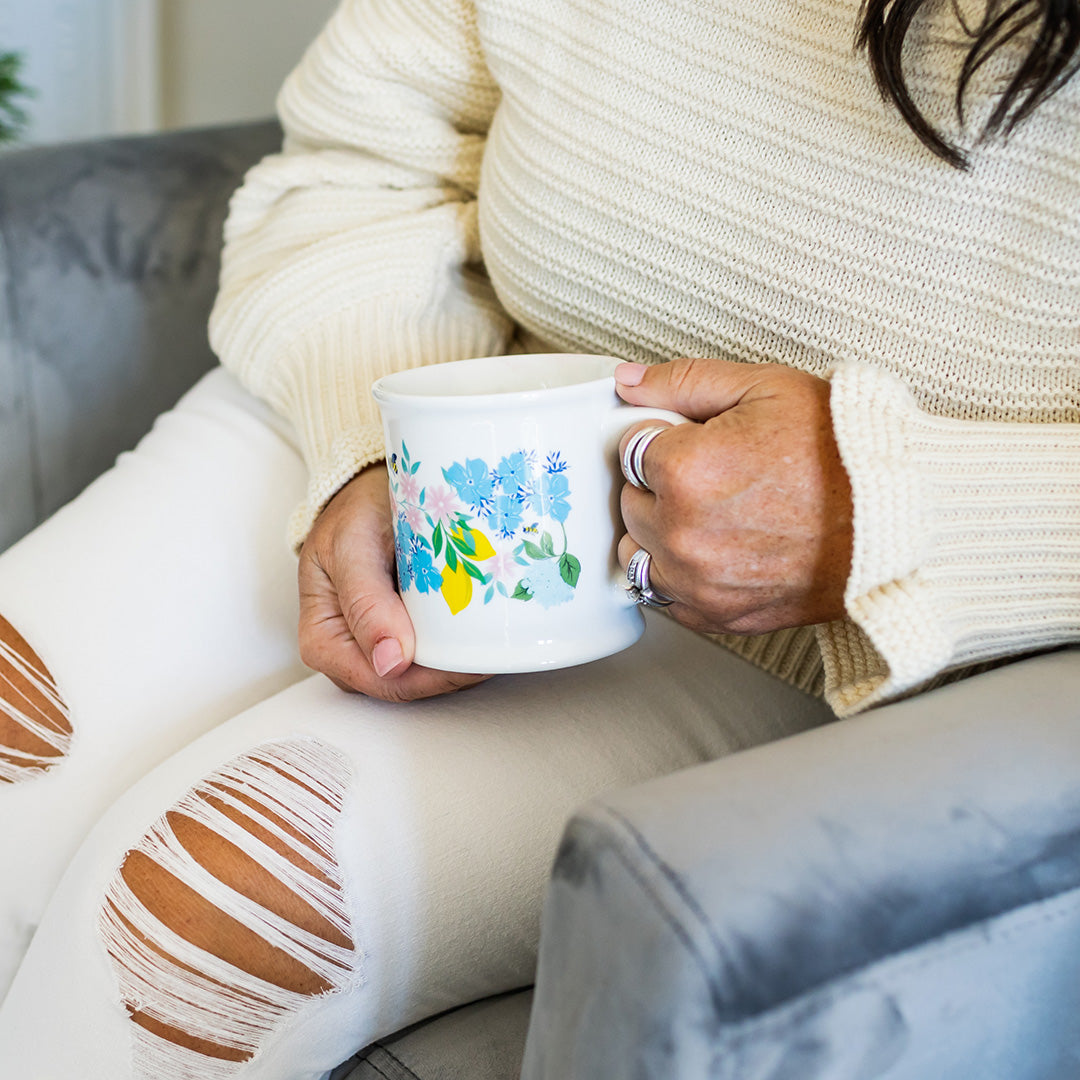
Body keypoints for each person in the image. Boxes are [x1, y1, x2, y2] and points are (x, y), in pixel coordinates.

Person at [1, 0, 1078, 1075]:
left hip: (830, 630)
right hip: (412, 403)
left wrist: (895, 513)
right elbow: (364, 162)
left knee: (192, 929)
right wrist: (368, 441)